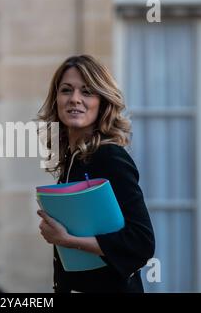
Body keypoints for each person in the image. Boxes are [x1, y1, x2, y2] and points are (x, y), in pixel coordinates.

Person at [36, 55, 155, 293]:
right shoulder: (72, 160)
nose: (75, 99)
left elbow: (141, 243)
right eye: (66, 90)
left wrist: (66, 240)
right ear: (56, 99)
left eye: (87, 92)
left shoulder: (109, 156)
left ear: (102, 102)